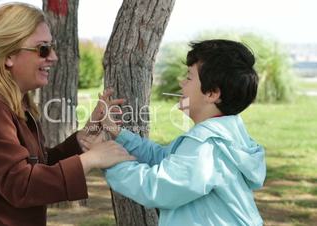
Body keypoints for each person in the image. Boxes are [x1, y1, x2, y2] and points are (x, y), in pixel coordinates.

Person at [0, 3, 134, 226]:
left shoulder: (11, 104)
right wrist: (91, 158)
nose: (54, 57)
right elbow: (21, 185)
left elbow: (34, 167)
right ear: (9, 54)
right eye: (43, 49)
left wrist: (83, 139)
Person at [96, 39, 266, 225]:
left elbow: (158, 187)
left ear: (212, 93)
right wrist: (118, 134)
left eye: (189, 77)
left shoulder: (207, 145)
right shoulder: (224, 135)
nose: (181, 82)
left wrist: (109, 162)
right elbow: (165, 158)